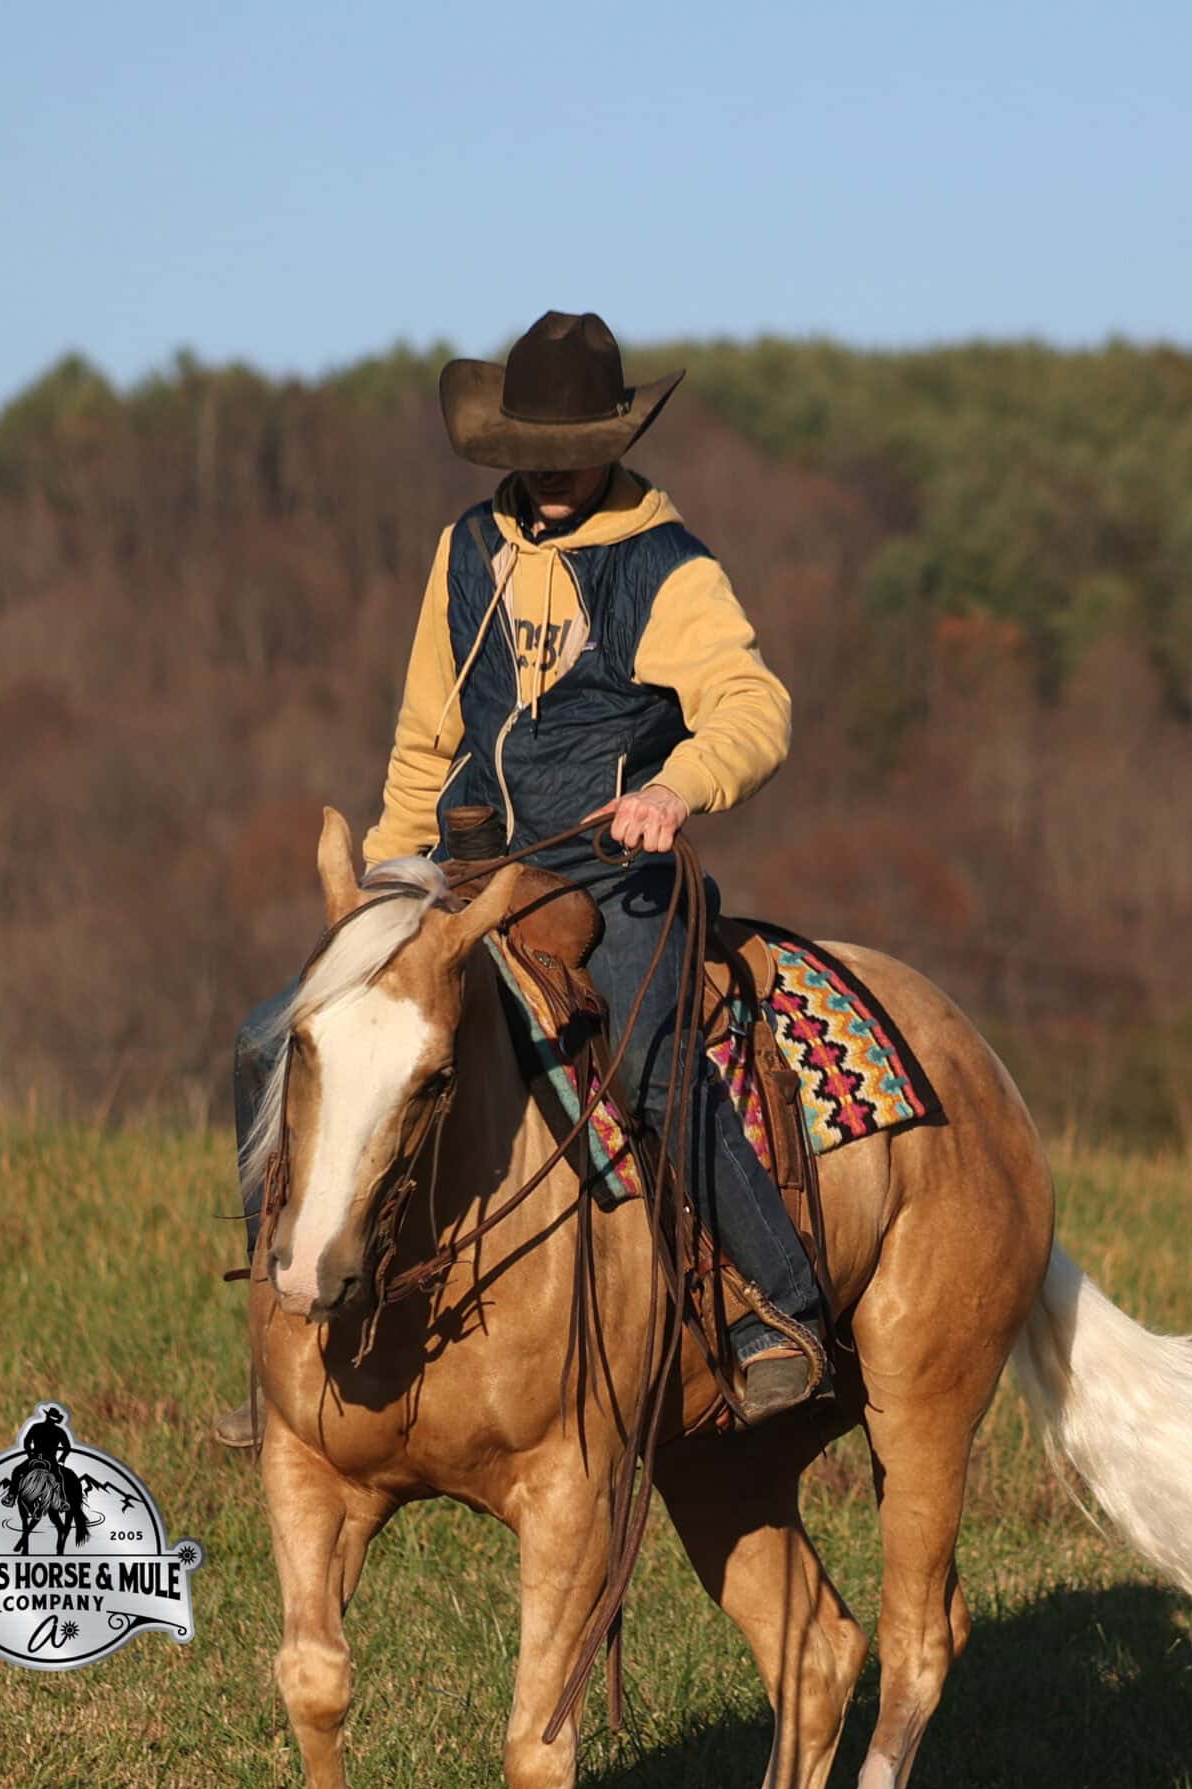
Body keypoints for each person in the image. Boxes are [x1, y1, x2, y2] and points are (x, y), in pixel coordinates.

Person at [221, 311, 827, 1435]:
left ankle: (781, 1309)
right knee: (272, 1039)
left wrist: (674, 790)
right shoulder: (466, 550)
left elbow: (755, 707)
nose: (548, 473)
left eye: (570, 452)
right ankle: (286, 1324)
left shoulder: (668, 568)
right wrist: (387, 876)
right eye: (529, 452)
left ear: (613, 442)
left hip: (612, 875)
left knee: (649, 1066)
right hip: (462, 868)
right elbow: (424, 734)